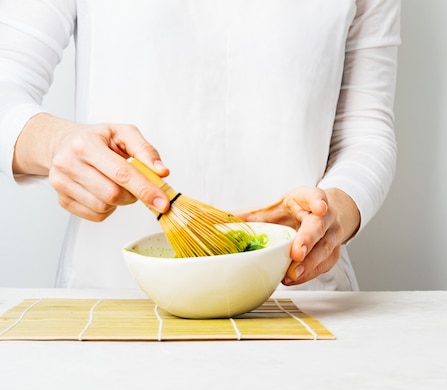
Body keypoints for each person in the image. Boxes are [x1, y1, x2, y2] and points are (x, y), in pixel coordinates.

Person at [0, 0, 400, 291]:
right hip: (113, 298)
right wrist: (57, 143)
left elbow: (365, 131)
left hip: (294, 296)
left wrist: (337, 211)